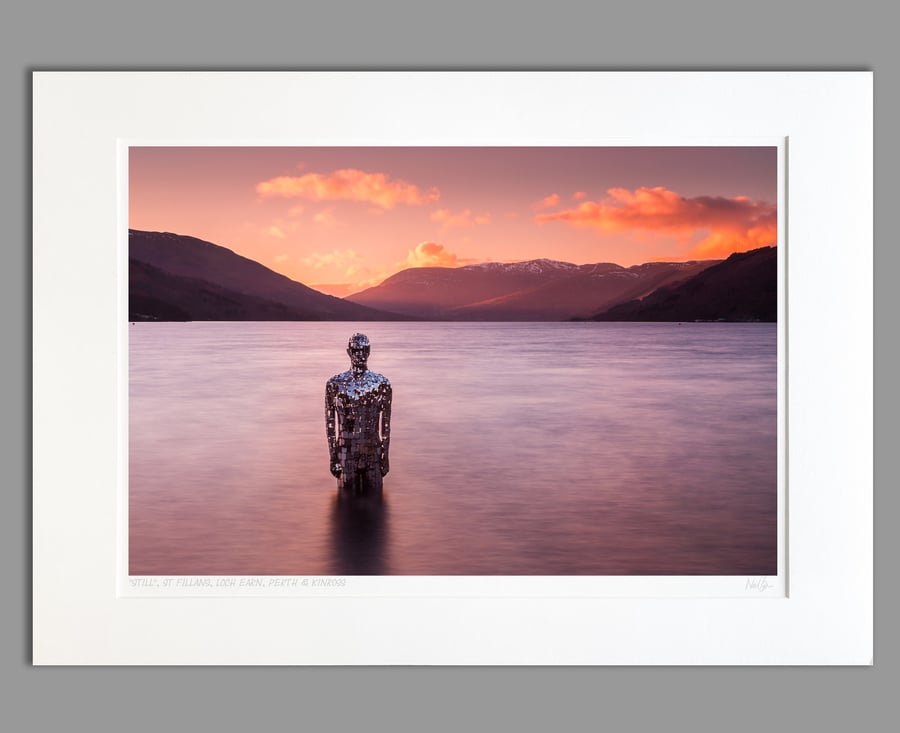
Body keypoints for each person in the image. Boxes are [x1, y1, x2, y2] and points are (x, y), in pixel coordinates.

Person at [325, 333, 392, 493]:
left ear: (369, 351)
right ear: (349, 352)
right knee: (346, 502)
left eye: (364, 350)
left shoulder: (382, 384)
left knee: (374, 502)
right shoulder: (335, 384)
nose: (360, 354)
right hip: (346, 453)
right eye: (356, 350)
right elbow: (330, 425)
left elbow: (386, 425)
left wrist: (385, 456)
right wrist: (333, 457)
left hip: (372, 452)